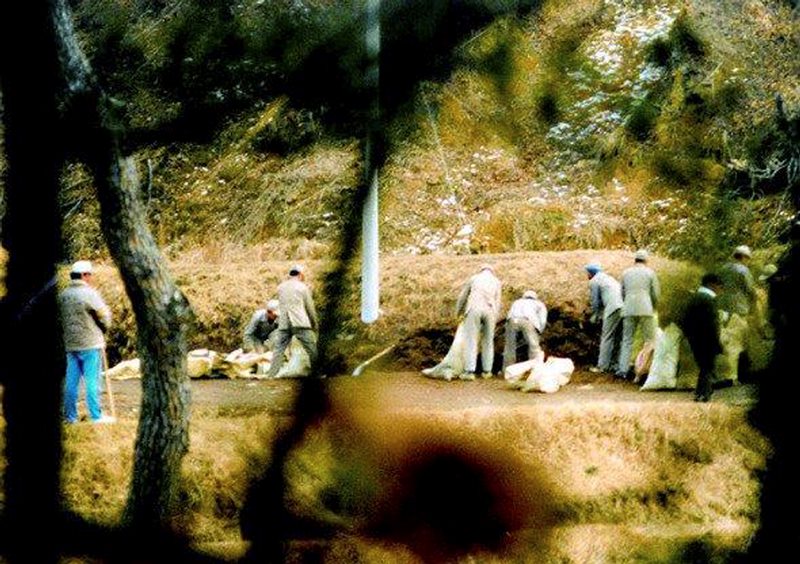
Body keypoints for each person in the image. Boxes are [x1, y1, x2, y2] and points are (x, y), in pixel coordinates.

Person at [59, 260, 114, 423]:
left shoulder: (63, 295)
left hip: (71, 344)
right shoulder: (89, 293)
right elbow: (104, 316)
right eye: (89, 275)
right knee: (92, 381)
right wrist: (105, 328)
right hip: (90, 343)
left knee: (71, 381)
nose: (91, 278)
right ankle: (96, 416)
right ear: (84, 275)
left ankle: (70, 416)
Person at [266, 264, 319, 378]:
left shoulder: (280, 287)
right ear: (301, 274)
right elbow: (309, 308)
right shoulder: (302, 287)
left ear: (290, 274)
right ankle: (316, 374)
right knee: (312, 349)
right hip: (300, 323)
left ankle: (271, 375)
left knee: (278, 350)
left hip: (284, 323)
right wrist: (314, 324)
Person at [680, 273, 724, 402]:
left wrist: (689, 335)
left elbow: (684, 320)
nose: (720, 290)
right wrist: (717, 343)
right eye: (720, 286)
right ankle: (704, 393)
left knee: (703, 365)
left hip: (694, 337)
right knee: (707, 366)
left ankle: (700, 392)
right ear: (712, 285)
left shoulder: (693, 298)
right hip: (707, 338)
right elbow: (713, 324)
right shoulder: (709, 300)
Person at [617, 250, 660, 380]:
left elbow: (622, 292)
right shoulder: (650, 273)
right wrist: (654, 306)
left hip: (629, 308)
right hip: (646, 308)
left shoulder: (625, 273)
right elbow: (655, 293)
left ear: (635, 260)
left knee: (627, 340)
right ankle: (646, 369)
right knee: (649, 340)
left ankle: (623, 370)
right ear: (646, 260)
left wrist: (627, 303)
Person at [455, 264, 502, 380]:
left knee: (471, 340)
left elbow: (463, 296)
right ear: (492, 271)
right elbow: (498, 301)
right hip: (490, 311)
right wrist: (495, 316)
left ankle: (469, 371)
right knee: (488, 341)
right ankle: (487, 371)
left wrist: (458, 312)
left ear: (481, 270)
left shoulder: (474, 278)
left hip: (474, 309)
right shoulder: (497, 282)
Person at [585, 263, 623, 374]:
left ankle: (602, 366)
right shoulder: (609, 278)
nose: (586, 275)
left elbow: (596, 301)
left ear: (591, 272)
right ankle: (615, 365)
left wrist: (595, 315)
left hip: (613, 308)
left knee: (607, 337)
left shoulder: (594, 280)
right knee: (618, 338)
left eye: (587, 272)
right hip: (624, 307)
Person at [502, 290, 547, 372]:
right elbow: (542, 320)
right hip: (527, 321)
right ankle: (535, 369)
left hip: (511, 320)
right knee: (533, 346)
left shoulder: (517, 302)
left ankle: (507, 370)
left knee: (509, 347)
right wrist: (539, 331)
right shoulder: (539, 304)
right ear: (535, 297)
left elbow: (509, 314)